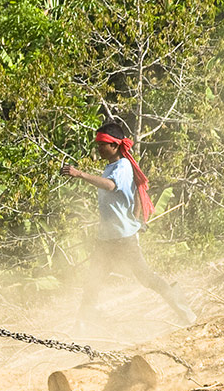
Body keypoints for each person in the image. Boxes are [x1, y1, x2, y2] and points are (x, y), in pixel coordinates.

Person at [60, 121, 196, 325]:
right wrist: (137, 217)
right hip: (106, 238)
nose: (98, 148)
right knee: (93, 282)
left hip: (123, 239)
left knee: (146, 278)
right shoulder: (112, 166)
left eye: (101, 144)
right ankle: (82, 328)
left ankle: (184, 310)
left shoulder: (122, 167)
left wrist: (79, 174)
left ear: (114, 145)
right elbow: (134, 193)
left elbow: (111, 186)